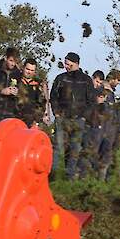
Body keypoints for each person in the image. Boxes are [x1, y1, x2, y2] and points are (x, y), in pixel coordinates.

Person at [49, 52, 93, 180]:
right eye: (65, 63)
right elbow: (53, 97)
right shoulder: (60, 78)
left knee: (75, 148)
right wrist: (56, 113)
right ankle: (52, 175)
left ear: (76, 64)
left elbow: (91, 101)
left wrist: (84, 117)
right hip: (62, 118)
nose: (66, 66)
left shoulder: (86, 80)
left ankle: (70, 175)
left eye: (69, 64)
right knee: (57, 146)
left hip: (79, 119)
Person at [96, 69, 120, 180]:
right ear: (112, 79)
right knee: (102, 153)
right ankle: (100, 178)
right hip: (103, 128)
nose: (118, 82)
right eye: (118, 80)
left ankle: (105, 177)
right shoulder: (102, 91)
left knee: (108, 154)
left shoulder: (112, 93)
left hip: (111, 129)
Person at [79, 70, 109, 178]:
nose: (97, 84)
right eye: (96, 81)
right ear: (93, 78)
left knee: (92, 151)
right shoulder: (85, 90)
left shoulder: (100, 94)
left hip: (96, 127)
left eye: (100, 83)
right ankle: (83, 174)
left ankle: (91, 173)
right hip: (85, 124)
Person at [16, 59, 48, 127]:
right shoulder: (15, 80)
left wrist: (38, 120)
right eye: (27, 69)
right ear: (23, 68)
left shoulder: (38, 84)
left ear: (35, 71)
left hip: (32, 121)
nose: (29, 72)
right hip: (15, 118)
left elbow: (42, 103)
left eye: (32, 70)